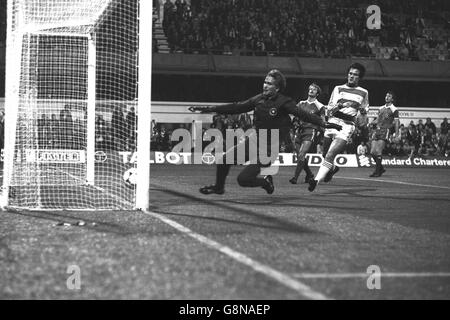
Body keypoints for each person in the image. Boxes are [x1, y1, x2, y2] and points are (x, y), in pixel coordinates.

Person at [189, 69, 342, 195]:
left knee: (243, 180)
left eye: (269, 83)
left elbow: (302, 114)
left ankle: (265, 182)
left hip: (269, 148)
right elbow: (237, 106)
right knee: (223, 160)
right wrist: (209, 109)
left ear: (277, 88)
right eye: (265, 82)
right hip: (255, 140)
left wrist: (323, 123)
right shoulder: (259, 99)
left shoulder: (284, 102)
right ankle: (219, 187)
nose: (265, 85)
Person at [308, 62, 369, 192]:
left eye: (355, 75)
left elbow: (363, 116)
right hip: (333, 122)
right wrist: (341, 105)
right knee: (325, 154)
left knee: (330, 154)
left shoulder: (364, 93)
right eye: (350, 73)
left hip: (347, 126)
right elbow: (329, 110)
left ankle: (315, 180)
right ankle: (333, 168)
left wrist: (363, 114)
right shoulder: (338, 89)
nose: (352, 76)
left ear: (359, 77)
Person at [289, 83, 325, 185]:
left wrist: (322, 133)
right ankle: (309, 174)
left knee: (301, 154)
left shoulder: (320, 106)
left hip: (310, 131)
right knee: (300, 156)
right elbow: (294, 116)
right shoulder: (301, 103)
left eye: (314, 89)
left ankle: (295, 178)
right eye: (310, 89)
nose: (311, 90)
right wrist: (294, 122)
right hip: (299, 131)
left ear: (317, 93)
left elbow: (323, 122)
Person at [369, 91, 399, 177]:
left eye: (389, 96)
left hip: (385, 130)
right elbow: (378, 119)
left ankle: (377, 172)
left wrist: (396, 134)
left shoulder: (394, 109)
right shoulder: (381, 108)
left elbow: (396, 122)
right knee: (372, 152)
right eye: (386, 95)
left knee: (378, 151)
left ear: (392, 99)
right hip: (377, 130)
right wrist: (371, 123)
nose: (387, 97)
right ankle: (381, 168)